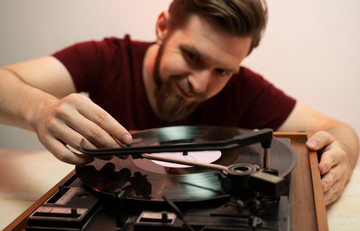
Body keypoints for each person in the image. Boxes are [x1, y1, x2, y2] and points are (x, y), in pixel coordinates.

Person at [0, 0, 358, 206]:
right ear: (162, 27)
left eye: (222, 70)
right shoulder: (106, 58)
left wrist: (343, 148)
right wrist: (38, 108)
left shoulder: (243, 88)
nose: (201, 83)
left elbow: (337, 129)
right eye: (192, 55)